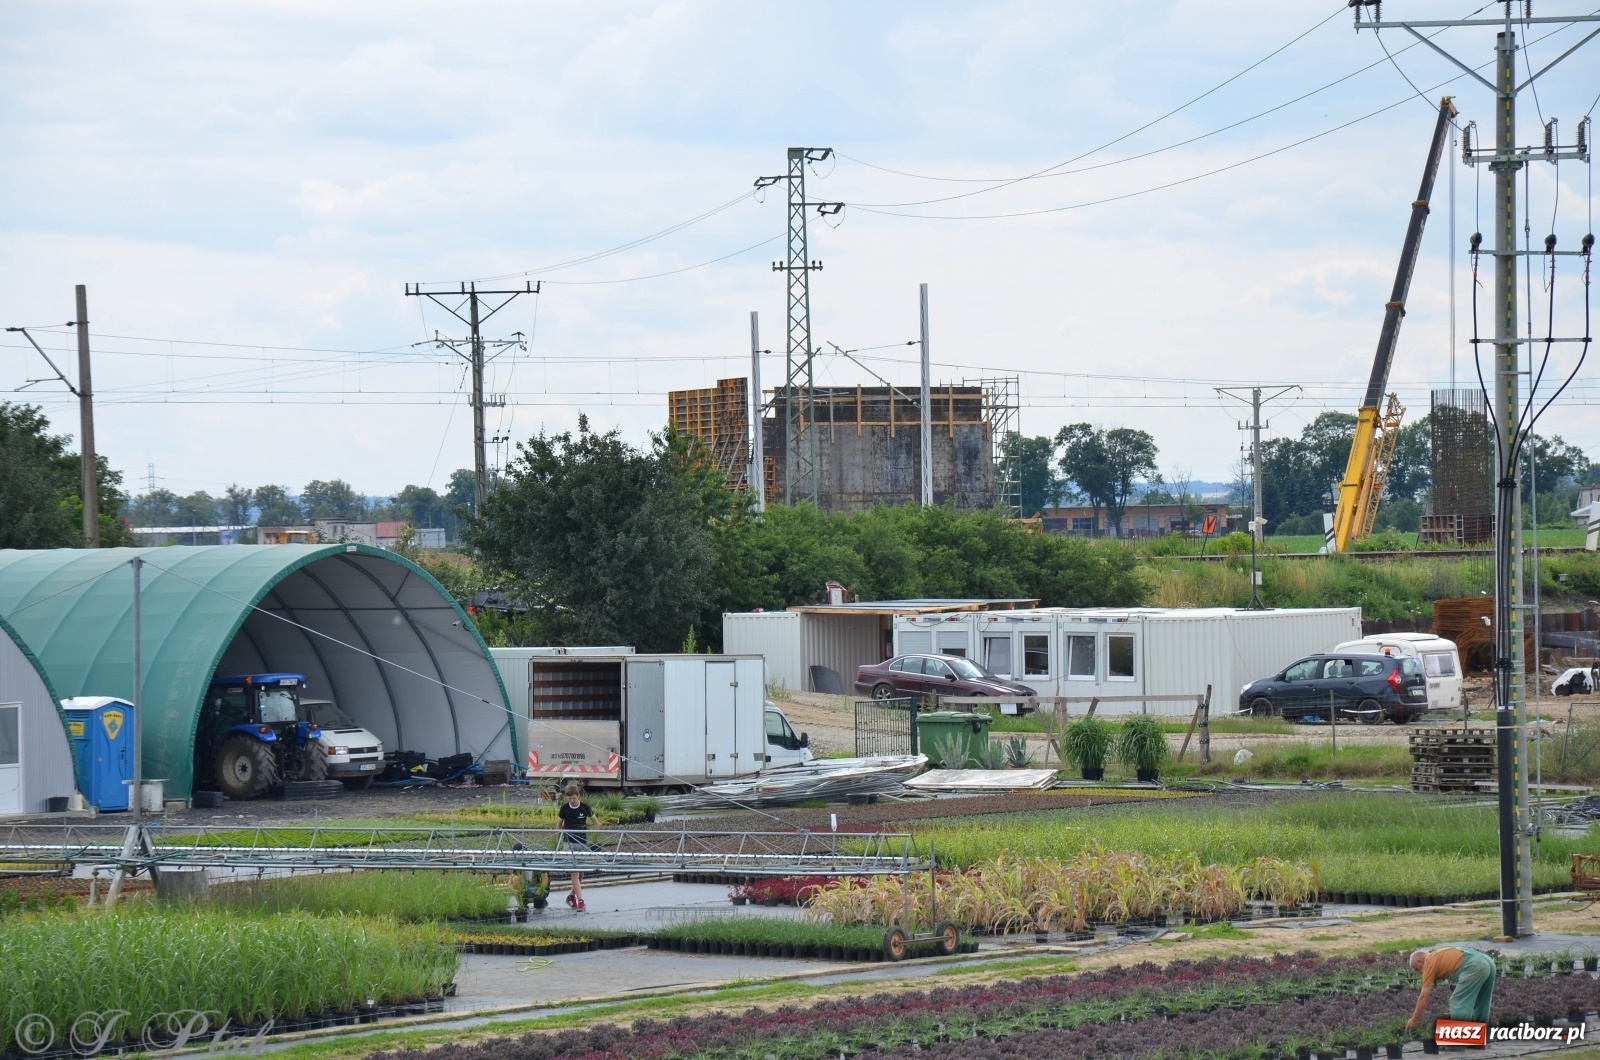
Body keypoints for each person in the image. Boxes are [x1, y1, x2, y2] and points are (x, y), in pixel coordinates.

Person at [1405, 946, 1497, 1032]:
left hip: (1475, 965)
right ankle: (1478, 1040)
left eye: (1417, 969)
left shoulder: (1429, 962)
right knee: (1482, 1001)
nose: (1421, 972)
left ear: (1419, 961)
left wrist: (1414, 1020)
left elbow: (1423, 997)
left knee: (1457, 1002)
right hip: (1487, 961)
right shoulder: (1438, 953)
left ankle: (1457, 1040)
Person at [557, 783, 593, 911]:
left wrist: (595, 837)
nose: (572, 800)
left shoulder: (585, 808)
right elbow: (559, 826)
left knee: (581, 873)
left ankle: (571, 896)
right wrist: (558, 841)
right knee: (575, 873)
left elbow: (596, 822)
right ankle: (581, 901)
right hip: (569, 843)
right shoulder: (564, 808)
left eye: (573, 798)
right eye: (569, 798)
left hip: (582, 843)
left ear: (578, 796)